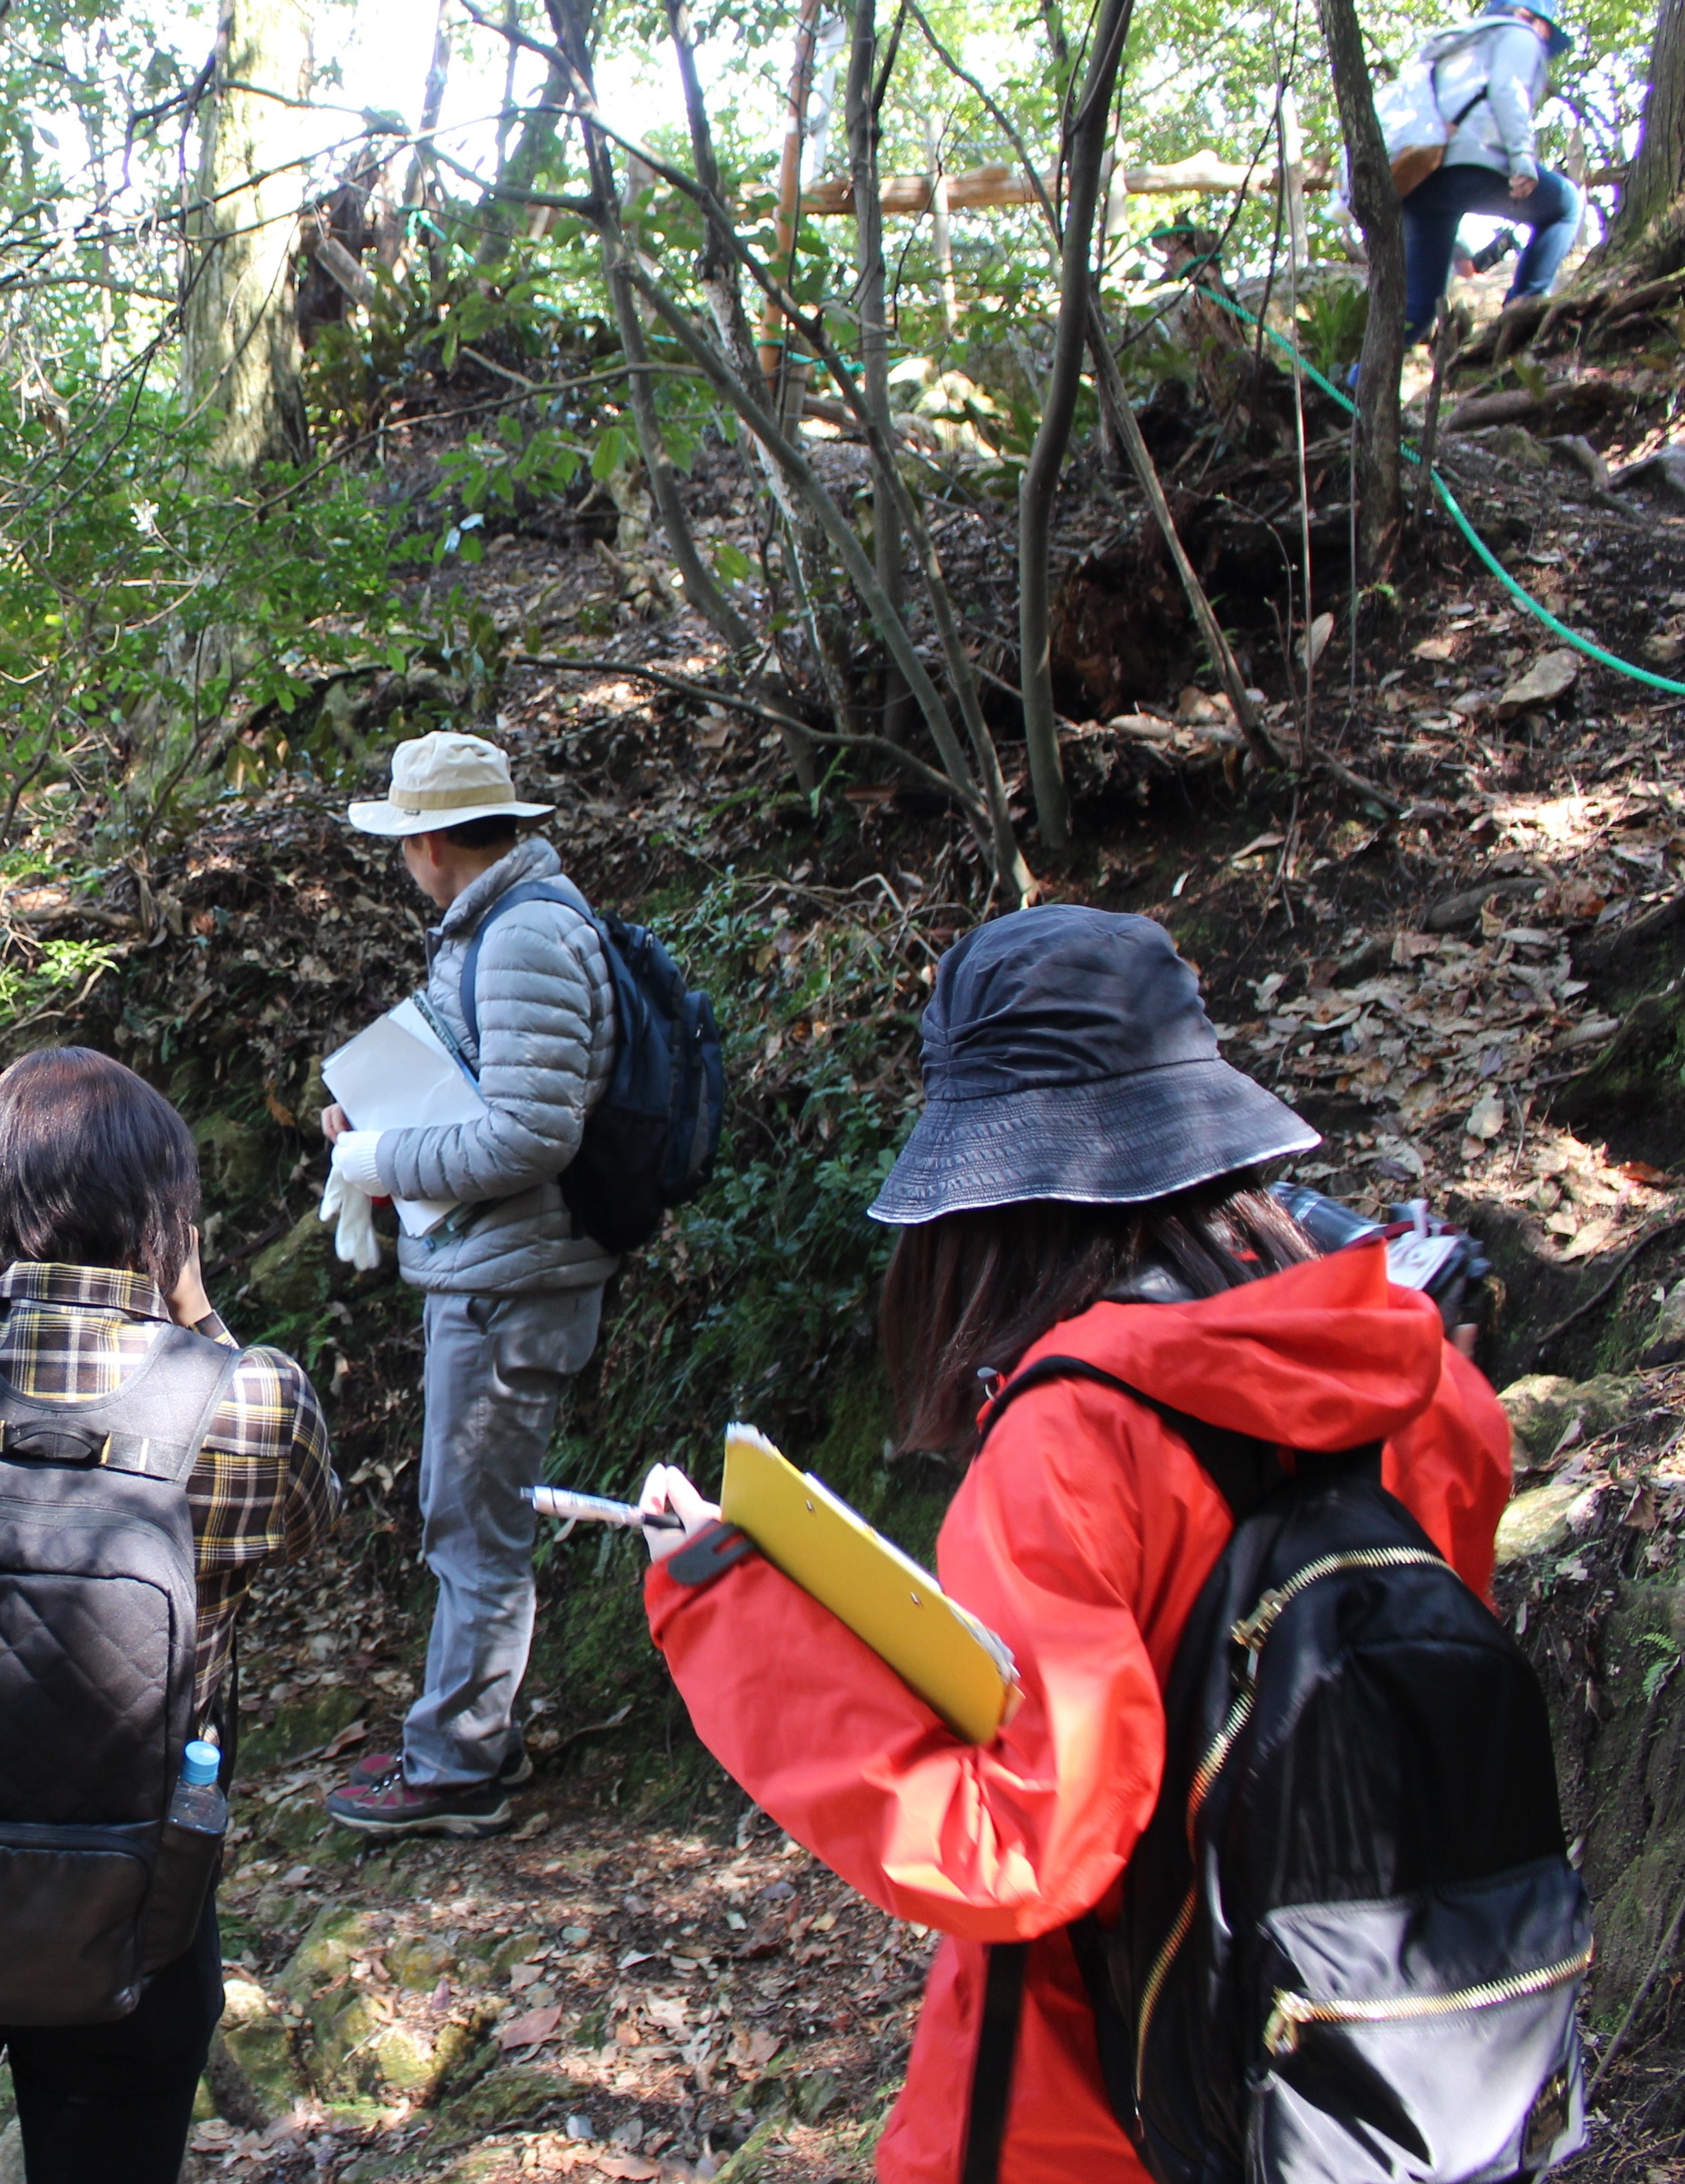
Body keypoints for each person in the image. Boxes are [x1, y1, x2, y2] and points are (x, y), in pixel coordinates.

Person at [632, 908, 1513, 2184]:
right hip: (1396, 2069)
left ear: (981, 1198)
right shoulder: (1427, 1387)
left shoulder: (1071, 1442)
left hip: (1104, 2111)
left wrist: (729, 1604)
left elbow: (1015, 1847)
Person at [0, 1048, 338, 2183]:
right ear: (169, 1219)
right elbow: (306, 1530)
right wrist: (197, 1314)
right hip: (138, 1899)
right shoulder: (252, 1394)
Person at [315, 731, 618, 1838]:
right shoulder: (505, 926)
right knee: (470, 1516)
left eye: (405, 841)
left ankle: (457, 1766)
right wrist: (374, 1122)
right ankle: (468, 1739)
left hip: (509, 1285)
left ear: (433, 843)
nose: (405, 859)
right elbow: (492, 1096)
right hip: (501, 1269)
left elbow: (533, 1134)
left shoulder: (523, 936)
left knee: (472, 1526)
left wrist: (380, 1157)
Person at [1397, 0, 1581, 344]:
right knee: (1565, 206)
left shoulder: (1451, 46)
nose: (1544, 41)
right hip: (1470, 164)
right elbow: (1507, 89)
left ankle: (1356, 378)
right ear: (1529, 17)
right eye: (1546, 30)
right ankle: (1523, 313)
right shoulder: (1519, 34)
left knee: (1417, 311)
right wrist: (1522, 159)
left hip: (1420, 175)